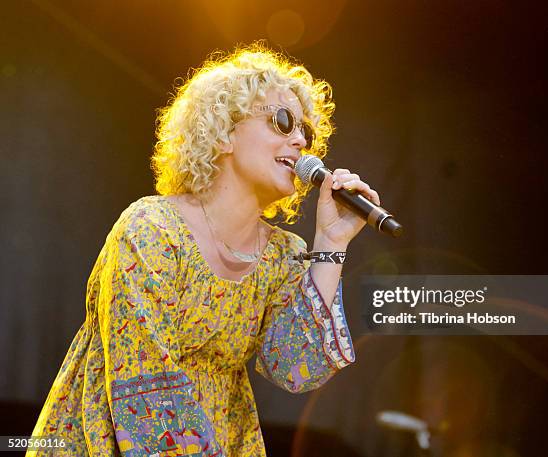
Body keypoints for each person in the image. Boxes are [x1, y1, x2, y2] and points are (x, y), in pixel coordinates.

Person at [28, 43, 380, 456]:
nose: (301, 140)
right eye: (283, 122)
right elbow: (146, 384)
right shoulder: (151, 230)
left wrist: (331, 243)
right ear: (224, 131)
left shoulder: (283, 254)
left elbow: (295, 368)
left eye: (307, 131)